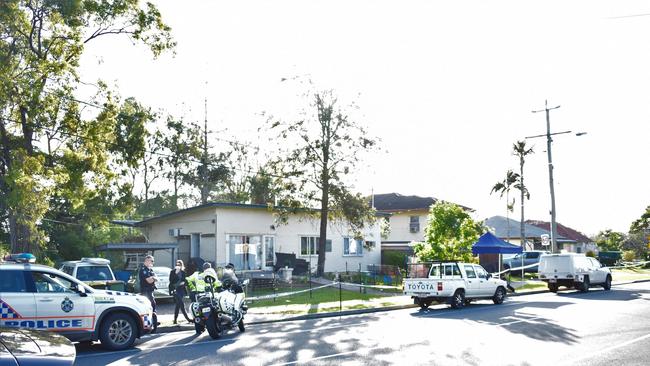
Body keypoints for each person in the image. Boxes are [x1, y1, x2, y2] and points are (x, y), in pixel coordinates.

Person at [138, 255, 160, 328]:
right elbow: (149, 281)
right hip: (145, 291)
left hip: (150, 291)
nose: (153, 262)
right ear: (147, 261)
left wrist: (153, 278)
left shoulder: (150, 270)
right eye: (151, 261)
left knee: (153, 305)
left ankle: (153, 322)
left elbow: (157, 279)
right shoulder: (143, 270)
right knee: (147, 307)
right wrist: (153, 278)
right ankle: (149, 323)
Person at [169, 259, 192, 324]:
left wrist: (183, 283)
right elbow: (171, 281)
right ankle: (188, 319)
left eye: (179, 264)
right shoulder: (172, 272)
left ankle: (175, 320)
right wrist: (175, 273)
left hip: (181, 290)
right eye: (177, 264)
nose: (178, 266)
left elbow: (185, 281)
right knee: (181, 304)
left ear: (182, 265)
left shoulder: (183, 272)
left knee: (178, 305)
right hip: (175, 290)